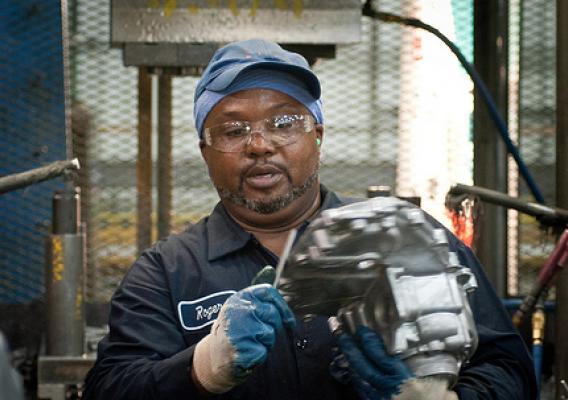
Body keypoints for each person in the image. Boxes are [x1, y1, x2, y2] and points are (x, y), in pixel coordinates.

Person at [83, 38, 537, 400]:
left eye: (284, 122)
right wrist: (202, 368)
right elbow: (108, 388)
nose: (260, 144)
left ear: (317, 136)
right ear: (206, 151)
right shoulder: (164, 273)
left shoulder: (404, 238)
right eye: (233, 130)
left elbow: (510, 370)